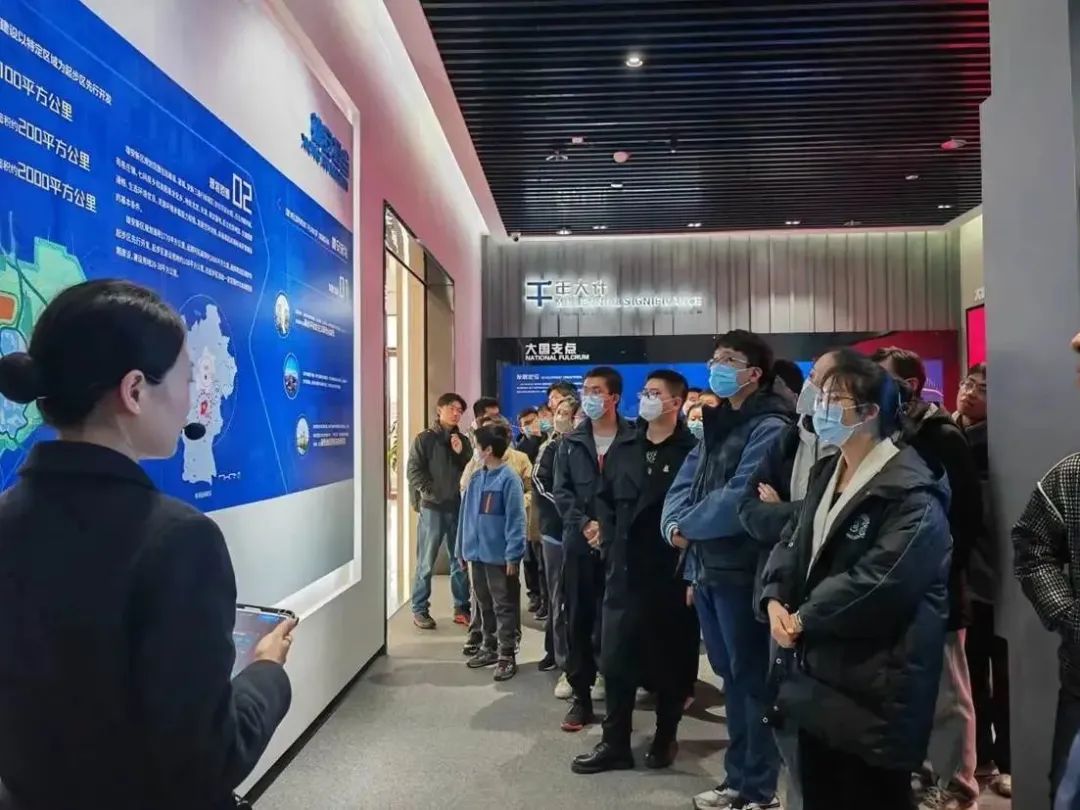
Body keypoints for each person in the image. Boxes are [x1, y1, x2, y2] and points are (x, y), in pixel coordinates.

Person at [0, 280, 295, 810]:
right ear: (135, 391)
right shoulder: (179, 540)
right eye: (187, 378)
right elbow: (209, 758)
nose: (190, 402)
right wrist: (267, 674)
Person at [760, 350, 951, 810]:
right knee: (820, 789)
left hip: (877, 682)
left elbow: (882, 580)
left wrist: (803, 618)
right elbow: (792, 542)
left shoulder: (912, 490)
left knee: (871, 794)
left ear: (869, 413)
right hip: (817, 673)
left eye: (834, 399)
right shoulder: (829, 471)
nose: (820, 407)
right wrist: (773, 598)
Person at [662, 330, 792, 810]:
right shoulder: (719, 420)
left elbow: (739, 495)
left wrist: (689, 529)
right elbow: (687, 480)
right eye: (715, 358)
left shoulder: (770, 424)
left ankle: (757, 789)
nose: (716, 366)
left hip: (743, 570)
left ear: (753, 373)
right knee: (731, 680)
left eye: (728, 360)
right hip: (707, 568)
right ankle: (737, 781)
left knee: (751, 681)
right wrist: (673, 526)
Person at [571, 370, 699, 775]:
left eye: (655, 393)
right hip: (623, 570)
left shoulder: (694, 452)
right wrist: (606, 538)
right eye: (644, 391)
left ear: (676, 402)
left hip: (670, 574)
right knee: (616, 660)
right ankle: (615, 743)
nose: (646, 398)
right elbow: (604, 497)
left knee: (670, 660)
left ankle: (665, 736)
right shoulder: (626, 446)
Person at [872, 347, 982, 810]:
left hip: (938, 582)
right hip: (896, 582)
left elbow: (967, 514)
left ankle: (958, 784)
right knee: (909, 684)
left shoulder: (940, 435)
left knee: (947, 692)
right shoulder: (888, 431)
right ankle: (923, 769)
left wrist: (941, 568)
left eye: (879, 376)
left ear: (910, 384)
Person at [738, 351, 839, 810]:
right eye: (813, 378)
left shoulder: (875, 458)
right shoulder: (789, 439)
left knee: (829, 730)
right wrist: (798, 515)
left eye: (825, 381)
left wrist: (787, 510)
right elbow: (749, 510)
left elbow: (838, 520)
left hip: (829, 607)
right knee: (783, 711)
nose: (813, 389)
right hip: (781, 596)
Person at [1013, 330, 1080, 804]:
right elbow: (1033, 547)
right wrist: (1070, 616)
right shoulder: (1071, 475)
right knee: (1069, 792)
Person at [554, 367, 632, 732]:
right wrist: (586, 524)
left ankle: (617, 695)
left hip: (620, 546)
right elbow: (562, 491)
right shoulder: (571, 442)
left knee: (618, 622)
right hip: (579, 544)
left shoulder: (634, 439)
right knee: (579, 619)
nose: (589, 397)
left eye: (596, 390)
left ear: (614, 397)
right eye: (586, 390)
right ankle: (580, 696)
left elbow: (637, 492)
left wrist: (609, 529)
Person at [954, 364, 1011, 798]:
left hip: (997, 574)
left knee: (1004, 672)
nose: (970, 393)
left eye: (983, 389)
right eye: (968, 384)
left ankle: (1008, 758)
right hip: (962, 576)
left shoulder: (1002, 445)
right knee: (969, 673)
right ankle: (982, 756)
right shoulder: (948, 435)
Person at [457, 422, 526, 682]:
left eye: (477, 446)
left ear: (487, 450)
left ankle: (507, 653)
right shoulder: (476, 478)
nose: (474, 450)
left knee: (503, 605)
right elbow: (465, 517)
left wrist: (513, 554)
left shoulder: (509, 479)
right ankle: (489, 645)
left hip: (499, 557)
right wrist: (461, 550)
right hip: (476, 555)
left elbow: (516, 521)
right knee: (483, 602)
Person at [406, 392, 473, 630]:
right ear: (439, 409)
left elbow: (471, 469)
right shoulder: (425, 439)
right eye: (452, 408)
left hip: (458, 507)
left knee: (459, 561)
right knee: (426, 563)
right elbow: (413, 471)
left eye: (460, 411)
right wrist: (430, 492)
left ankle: (461, 608)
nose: (456, 414)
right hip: (433, 508)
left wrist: (461, 453)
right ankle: (419, 609)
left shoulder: (463, 440)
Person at [534, 397, 580, 688]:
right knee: (558, 598)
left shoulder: (584, 447)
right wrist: (569, 510)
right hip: (555, 532)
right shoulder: (550, 447)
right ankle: (561, 659)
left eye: (567, 413)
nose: (561, 417)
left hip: (583, 533)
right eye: (558, 412)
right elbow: (541, 483)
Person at [516, 406, 548, 616]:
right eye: (526, 423)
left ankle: (546, 598)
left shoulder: (549, 441)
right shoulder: (522, 447)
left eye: (533, 420)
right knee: (530, 557)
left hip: (546, 507)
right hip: (528, 508)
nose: (531, 425)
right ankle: (534, 594)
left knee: (544, 558)